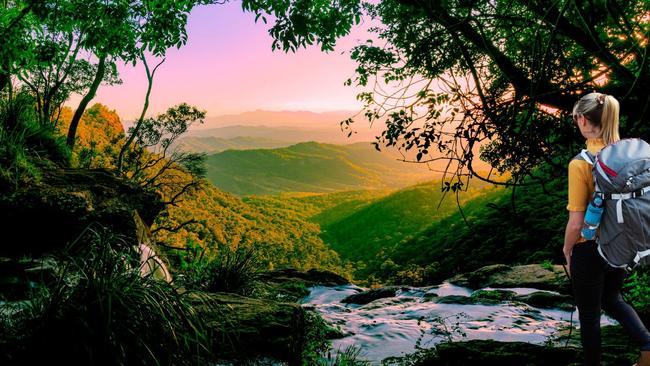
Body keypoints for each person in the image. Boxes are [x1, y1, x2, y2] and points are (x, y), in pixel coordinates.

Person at [564, 92, 650, 366]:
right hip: (622, 242)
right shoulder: (631, 155)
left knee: (589, 315)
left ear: (584, 119)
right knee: (612, 297)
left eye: (578, 117)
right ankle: (648, 346)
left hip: (589, 248)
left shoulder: (581, 163)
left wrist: (567, 249)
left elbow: (577, 221)